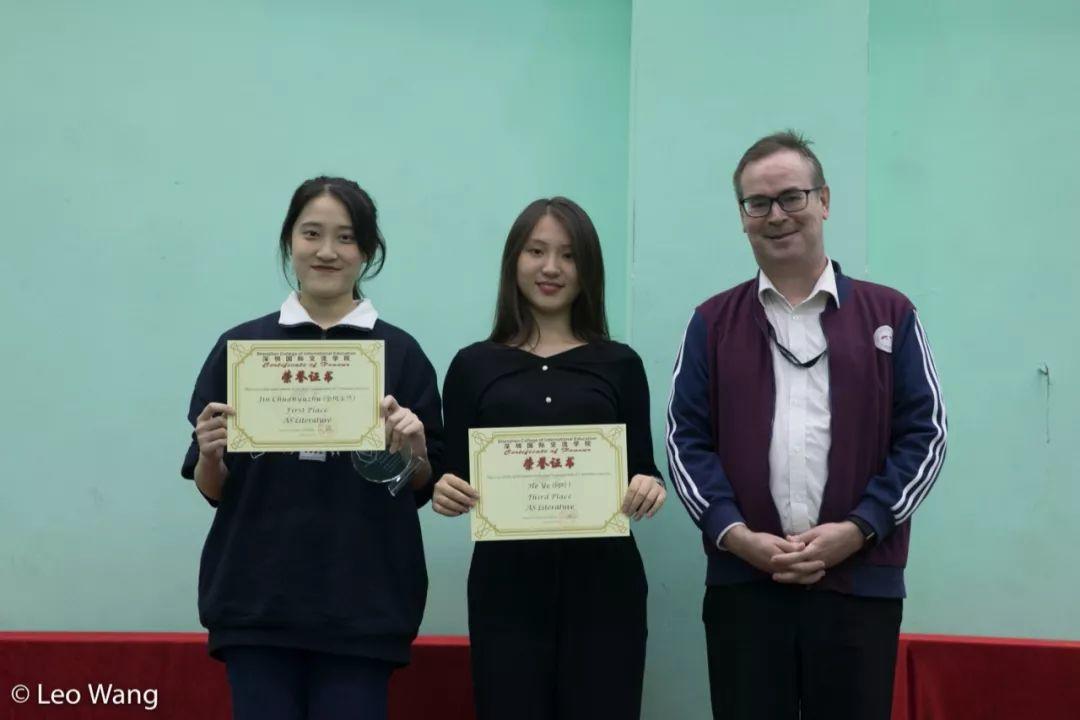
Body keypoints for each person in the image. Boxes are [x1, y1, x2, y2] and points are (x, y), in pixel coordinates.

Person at [666, 131, 947, 720]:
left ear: (824, 200)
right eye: (758, 203)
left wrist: (860, 528)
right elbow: (686, 442)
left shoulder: (890, 313)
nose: (776, 216)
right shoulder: (711, 323)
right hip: (745, 587)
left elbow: (925, 435)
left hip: (859, 586)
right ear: (742, 216)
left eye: (791, 197)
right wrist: (735, 536)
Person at [180, 176, 444, 720]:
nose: (327, 251)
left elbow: (417, 487)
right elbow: (214, 491)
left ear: (367, 251)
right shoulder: (242, 349)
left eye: (346, 237)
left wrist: (415, 451)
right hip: (256, 601)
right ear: (289, 242)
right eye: (311, 233)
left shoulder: (401, 354)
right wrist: (208, 454)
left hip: (364, 605)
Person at [432, 197, 666, 720]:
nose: (552, 267)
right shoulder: (472, 366)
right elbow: (452, 474)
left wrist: (650, 486)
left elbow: (643, 468)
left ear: (589, 268)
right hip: (505, 587)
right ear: (514, 259)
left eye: (569, 254)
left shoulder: (621, 364)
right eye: (536, 251)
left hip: (605, 587)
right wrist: (444, 490)